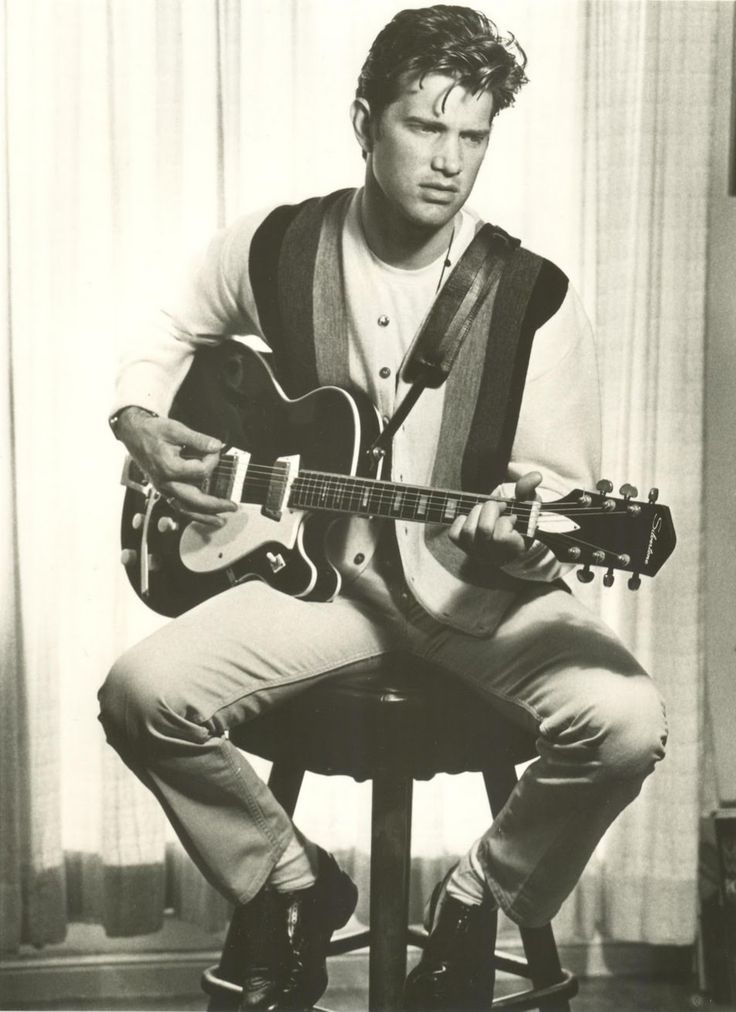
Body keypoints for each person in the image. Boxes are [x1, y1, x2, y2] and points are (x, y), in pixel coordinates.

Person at [99, 6, 668, 1010]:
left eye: (472, 135)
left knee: (626, 721)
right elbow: (168, 317)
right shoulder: (281, 243)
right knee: (142, 693)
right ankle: (293, 881)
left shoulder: (534, 295)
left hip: (476, 595)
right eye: (424, 126)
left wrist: (524, 540)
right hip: (323, 587)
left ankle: (475, 901)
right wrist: (141, 422)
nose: (449, 161)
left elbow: (555, 495)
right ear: (366, 121)